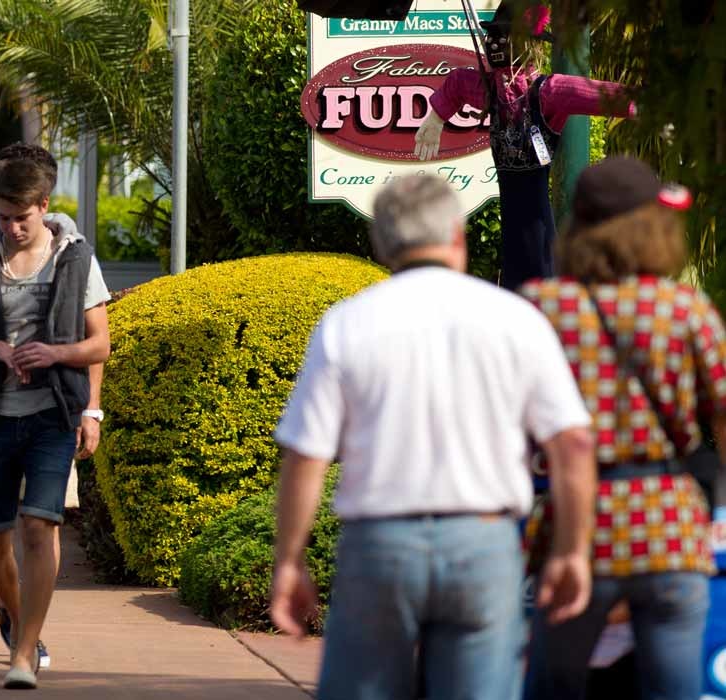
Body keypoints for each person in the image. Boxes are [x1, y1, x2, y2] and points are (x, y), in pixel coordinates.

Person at [270, 174, 597, 700]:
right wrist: (572, 550)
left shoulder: (347, 323)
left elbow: (307, 453)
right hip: (482, 542)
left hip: (380, 545)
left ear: (382, 243)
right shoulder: (516, 319)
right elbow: (573, 444)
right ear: (457, 235)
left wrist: (289, 559)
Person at [519, 156, 724, 700]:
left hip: (577, 529)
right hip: (671, 528)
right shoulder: (685, 309)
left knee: (553, 688)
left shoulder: (543, 308)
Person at [0, 148, 110, 690]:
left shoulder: (76, 259)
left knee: (39, 525)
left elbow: (99, 344)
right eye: (3, 216)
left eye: (21, 217)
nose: (11, 228)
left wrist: (64, 369)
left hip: (52, 415)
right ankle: (15, 614)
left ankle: (25, 650)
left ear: (44, 205)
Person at [415, 2, 634, 291]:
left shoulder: (547, 92)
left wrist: (650, 107)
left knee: (541, 282)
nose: (495, 42)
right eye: (492, 35)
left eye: (504, 35)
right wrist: (435, 117)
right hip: (512, 233)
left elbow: (599, 95)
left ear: (528, 44)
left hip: (538, 231)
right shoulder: (490, 90)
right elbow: (457, 84)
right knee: (515, 286)